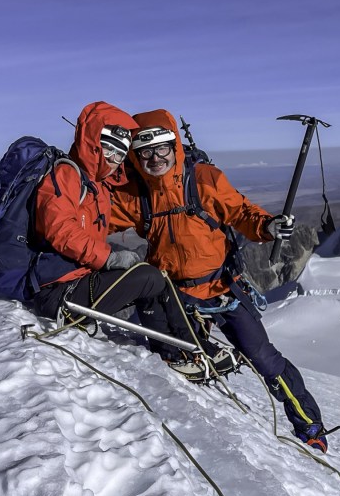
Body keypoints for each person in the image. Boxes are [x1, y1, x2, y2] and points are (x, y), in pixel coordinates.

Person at [109, 109, 331, 453]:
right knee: (174, 362)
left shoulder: (203, 180)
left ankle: (309, 426)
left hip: (222, 287)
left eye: (162, 148)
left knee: (265, 359)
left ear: (175, 146)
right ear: (136, 157)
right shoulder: (136, 195)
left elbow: (240, 212)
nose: (155, 158)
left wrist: (267, 226)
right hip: (174, 294)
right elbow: (95, 219)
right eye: (146, 152)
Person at [30, 100, 211, 365]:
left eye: (120, 154)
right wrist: (110, 258)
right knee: (149, 278)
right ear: (93, 145)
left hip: (75, 281)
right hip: (58, 293)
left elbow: (123, 188)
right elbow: (61, 230)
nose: (115, 161)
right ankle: (184, 350)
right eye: (109, 152)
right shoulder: (66, 176)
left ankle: (183, 346)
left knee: (152, 276)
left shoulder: (96, 185)